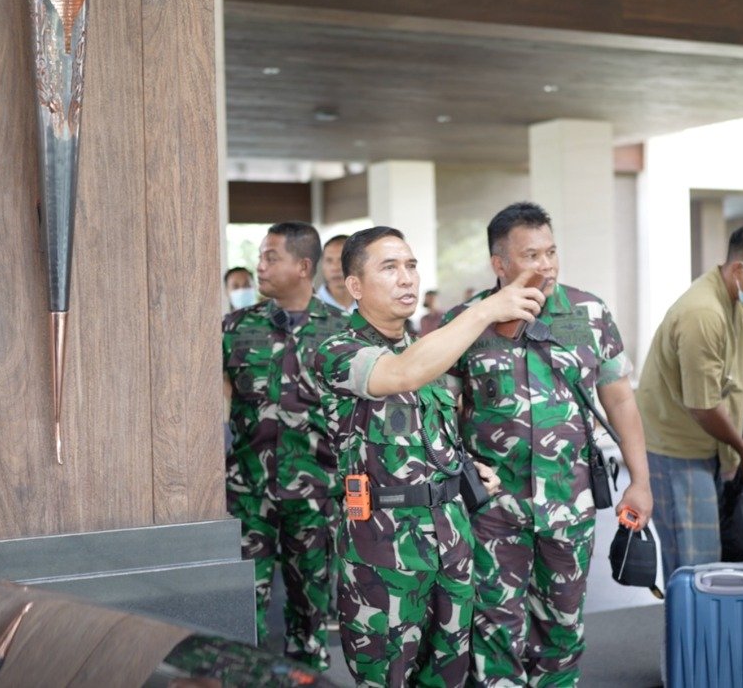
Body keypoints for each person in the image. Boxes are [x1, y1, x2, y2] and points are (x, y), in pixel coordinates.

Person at [314, 226, 545, 687]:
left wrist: (462, 468)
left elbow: (429, 435)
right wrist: (486, 310)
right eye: (389, 268)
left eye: (411, 265)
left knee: (448, 678)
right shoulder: (338, 351)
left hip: (450, 545)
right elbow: (400, 374)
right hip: (384, 553)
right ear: (355, 286)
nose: (406, 279)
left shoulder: (427, 352)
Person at [443, 201, 652, 686]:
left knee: (563, 631)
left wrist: (640, 481)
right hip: (493, 512)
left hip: (569, 505)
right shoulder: (467, 322)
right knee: (495, 634)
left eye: (552, 252)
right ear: (500, 265)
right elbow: (444, 416)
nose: (547, 265)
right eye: (532, 255)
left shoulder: (589, 313)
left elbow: (621, 401)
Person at [635, 222, 743, 582]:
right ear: (739, 269)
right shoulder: (703, 314)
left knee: (708, 561)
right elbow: (702, 406)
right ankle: (687, 640)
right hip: (677, 451)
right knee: (695, 566)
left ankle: (702, 638)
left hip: (710, 446)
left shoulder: (736, 301)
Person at [223, 222, 346, 670]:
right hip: (248, 493)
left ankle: (307, 674)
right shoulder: (236, 327)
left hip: (316, 493)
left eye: (271, 256)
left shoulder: (342, 332)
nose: (260, 265)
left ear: (303, 266)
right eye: (260, 255)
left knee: (310, 613)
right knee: (242, 612)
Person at [316, 234, 356, 312]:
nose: (335, 267)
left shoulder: (373, 305)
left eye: (342, 260)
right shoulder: (307, 309)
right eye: (329, 260)